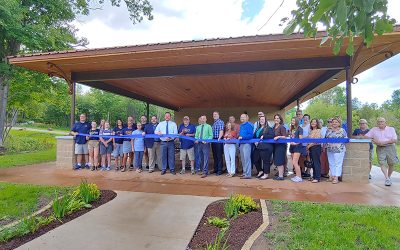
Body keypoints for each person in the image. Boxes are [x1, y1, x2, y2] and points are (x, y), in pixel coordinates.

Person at [365, 117, 398, 186]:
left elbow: (394, 139)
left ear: (385, 122)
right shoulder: (374, 129)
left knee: (391, 163)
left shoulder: (391, 129)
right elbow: (366, 136)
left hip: (390, 147)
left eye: (382, 121)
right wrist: (374, 141)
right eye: (379, 122)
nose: (380, 123)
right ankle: (387, 178)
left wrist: (384, 142)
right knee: (382, 163)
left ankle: (388, 177)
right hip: (380, 148)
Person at [325, 117, 347, 184]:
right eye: (333, 122)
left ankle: (336, 177)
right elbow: (326, 138)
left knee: (338, 163)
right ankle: (333, 176)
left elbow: (345, 139)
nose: (334, 123)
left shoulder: (342, 130)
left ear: (339, 123)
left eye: (336, 122)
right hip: (330, 149)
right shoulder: (328, 130)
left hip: (339, 149)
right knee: (331, 163)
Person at [289, 117, 306, 182]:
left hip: (297, 147)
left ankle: (299, 177)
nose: (292, 122)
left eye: (293, 121)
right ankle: (297, 175)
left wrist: (295, 143)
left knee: (295, 162)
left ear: (296, 121)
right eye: (292, 121)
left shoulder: (300, 129)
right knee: (294, 163)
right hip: (292, 147)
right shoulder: (292, 129)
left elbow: (300, 139)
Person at [272, 114, 288, 181]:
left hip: (281, 146)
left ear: (280, 119)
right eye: (275, 118)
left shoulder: (282, 127)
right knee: (276, 160)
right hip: (275, 146)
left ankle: (281, 176)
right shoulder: (273, 127)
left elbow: (285, 136)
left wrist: (279, 137)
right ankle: (279, 175)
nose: (276, 119)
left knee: (280, 160)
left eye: (278, 118)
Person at [238, 113, 254, 179]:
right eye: (241, 117)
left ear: (247, 118)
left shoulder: (249, 125)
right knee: (243, 159)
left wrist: (242, 137)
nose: (242, 118)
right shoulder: (241, 125)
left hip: (247, 144)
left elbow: (251, 135)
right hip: (241, 144)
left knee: (247, 159)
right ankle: (245, 173)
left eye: (243, 117)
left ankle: (248, 174)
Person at [307, 118, 322, 183]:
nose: (313, 123)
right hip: (311, 148)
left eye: (314, 122)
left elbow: (316, 140)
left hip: (316, 147)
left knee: (316, 162)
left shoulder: (318, 130)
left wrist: (308, 146)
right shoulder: (311, 131)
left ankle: (317, 177)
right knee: (313, 163)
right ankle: (314, 176)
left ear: (317, 123)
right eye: (312, 122)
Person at [211, 111, 224, 175]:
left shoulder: (220, 122)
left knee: (219, 156)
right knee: (215, 155)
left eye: (215, 114)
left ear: (218, 115)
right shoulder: (214, 123)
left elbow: (221, 131)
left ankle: (219, 170)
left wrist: (219, 138)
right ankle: (215, 169)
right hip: (213, 140)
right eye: (213, 114)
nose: (214, 115)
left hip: (218, 140)